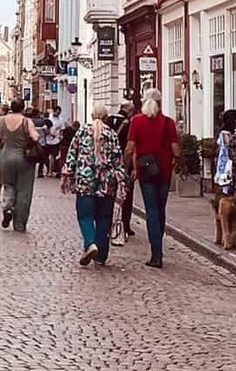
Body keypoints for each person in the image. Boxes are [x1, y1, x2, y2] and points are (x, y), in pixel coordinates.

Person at [62, 104, 127, 267]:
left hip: (85, 181)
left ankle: (90, 243)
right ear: (106, 118)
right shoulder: (111, 134)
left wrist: (67, 174)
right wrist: (122, 182)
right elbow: (118, 160)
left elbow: (72, 154)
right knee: (104, 218)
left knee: (85, 216)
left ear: (92, 116)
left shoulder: (82, 131)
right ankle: (101, 255)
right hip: (107, 183)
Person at [126, 88, 180, 269]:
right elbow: (175, 150)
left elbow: (130, 147)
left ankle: (156, 253)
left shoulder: (136, 121)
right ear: (160, 102)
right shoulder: (168, 122)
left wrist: (128, 166)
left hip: (145, 171)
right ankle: (158, 244)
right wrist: (177, 160)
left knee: (151, 210)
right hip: (164, 171)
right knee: (160, 209)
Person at [0, 98, 40, 233]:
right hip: (24, 159)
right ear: (22, 108)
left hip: (6, 157)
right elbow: (35, 137)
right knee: (24, 191)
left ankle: (7, 207)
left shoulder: (2, 120)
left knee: (8, 185)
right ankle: (19, 223)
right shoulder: (26, 121)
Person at [111, 102, 135, 244]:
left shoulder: (109, 120)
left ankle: (110, 221)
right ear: (128, 110)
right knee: (127, 194)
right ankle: (125, 224)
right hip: (124, 162)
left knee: (111, 193)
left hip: (110, 162)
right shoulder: (128, 123)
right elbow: (130, 147)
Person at [45, 107, 64, 179]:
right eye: (57, 112)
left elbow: (62, 129)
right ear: (54, 111)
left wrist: (60, 136)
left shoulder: (61, 119)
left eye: (59, 113)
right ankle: (48, 169)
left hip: (56, 140)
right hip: (47, 139)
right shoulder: (49, 117)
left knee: (53, 156)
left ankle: (50, 171)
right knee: (46, 157)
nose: (58, 114)